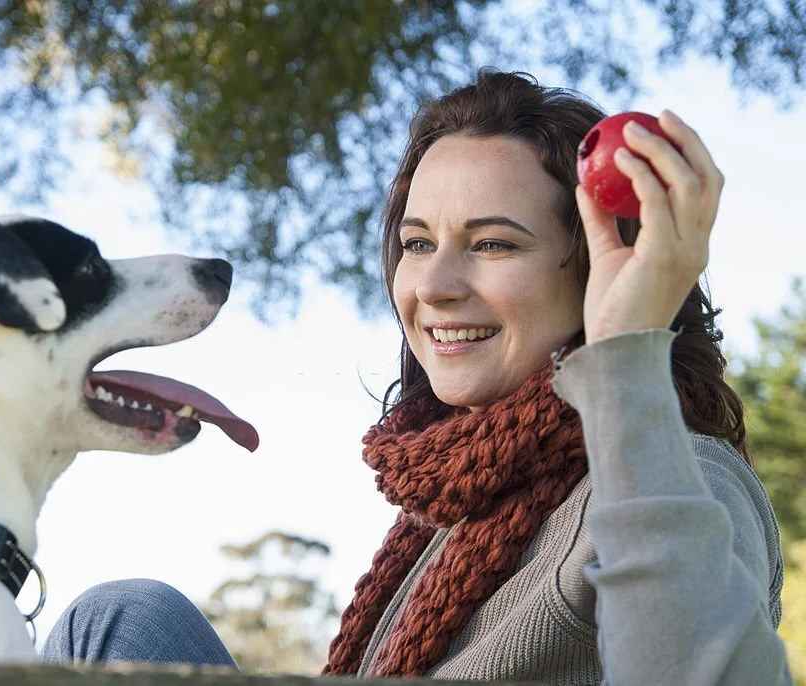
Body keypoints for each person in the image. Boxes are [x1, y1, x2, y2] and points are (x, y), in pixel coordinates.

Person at [41, 70, 790, 685]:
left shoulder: (678, 475)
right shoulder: (459, 506)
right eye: (418, 242)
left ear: (597, 269)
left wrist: (629, 351)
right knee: (118, 618)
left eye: (494, 244)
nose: (434, 284)